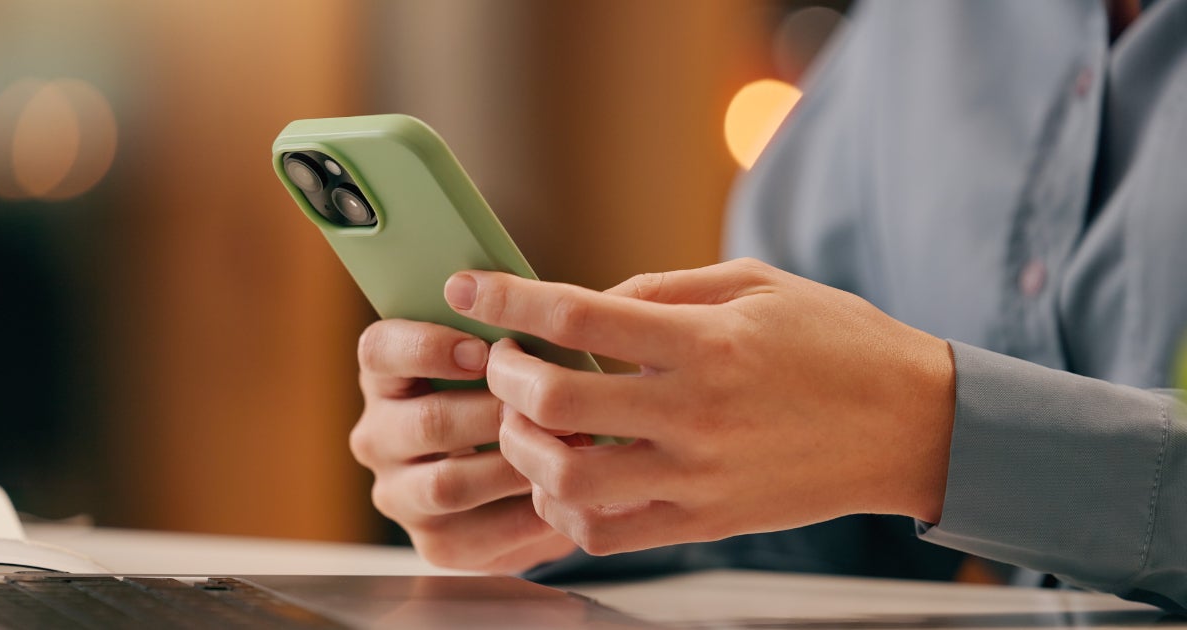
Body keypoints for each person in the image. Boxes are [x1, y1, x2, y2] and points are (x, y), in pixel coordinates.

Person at [350, 0, 1187, 611]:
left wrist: (929, 433)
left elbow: (888, 441)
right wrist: (590, 490)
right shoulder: (909, 33)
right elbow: (830, 516)